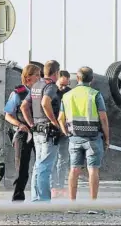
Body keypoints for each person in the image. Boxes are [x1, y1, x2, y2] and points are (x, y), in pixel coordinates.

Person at [58, 66, 109, 213]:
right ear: (91, 79)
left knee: (74, 170)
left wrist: (66, 132)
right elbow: (103, 119)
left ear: (78, 78)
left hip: (74, 138)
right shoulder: (95, 95)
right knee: (93, 170)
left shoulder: (67, 96)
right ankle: (93, 206)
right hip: (93, 138)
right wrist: (107, 138)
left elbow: (60, 118)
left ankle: (72, 206)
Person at [20, 60, 61, 202]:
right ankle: (44, 200)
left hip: (37, 130)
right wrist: (54, 122)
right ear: (57, 73)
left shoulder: (36, 86)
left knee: (38, 165)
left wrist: (31, 123)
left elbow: (24, 106)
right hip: (48, 132)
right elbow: (45, 102)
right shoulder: (50, 86)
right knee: (45, 166)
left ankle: (35, 198)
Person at [4, 63, 41, 201]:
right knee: (22, 168)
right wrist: (20, 124)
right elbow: (7, 114)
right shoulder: (17, 93)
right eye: (36, 75)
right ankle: (18, 197)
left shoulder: (41, 92)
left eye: (40, 75)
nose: (39, 78)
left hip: (39, 133)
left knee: (41, 165)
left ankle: (39, 196)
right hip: (23, 134)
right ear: (27, 78)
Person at [51, 70, 72, 198]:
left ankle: (60, 185)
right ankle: (53, 186)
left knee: (64, 159)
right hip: (53, 130)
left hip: (65, 130)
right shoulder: (50, 91)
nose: (63, 87)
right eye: (61, 84)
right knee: (52, 159)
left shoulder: (70, 92)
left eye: (66, 84)